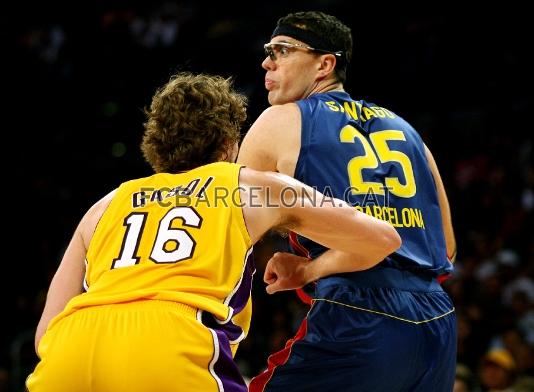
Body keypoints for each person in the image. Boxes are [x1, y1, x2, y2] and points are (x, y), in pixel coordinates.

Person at [26, 72, 401, 391]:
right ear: (228, 144)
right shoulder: (249, 184)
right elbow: (383, 239)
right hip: (169, 343)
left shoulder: (104, 205)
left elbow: (45, 334)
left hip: (69, 353)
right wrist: (307, 271)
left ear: (154, 145)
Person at [237, 11, 457, 392]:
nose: (267, 61)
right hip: (437, 322)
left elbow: (228, 231)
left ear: (325, 64)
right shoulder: (408, 130)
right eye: (269, 50)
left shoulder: (279, 120)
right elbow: (447, 248)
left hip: (358, 314)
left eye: (283, 50)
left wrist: (309, 268)